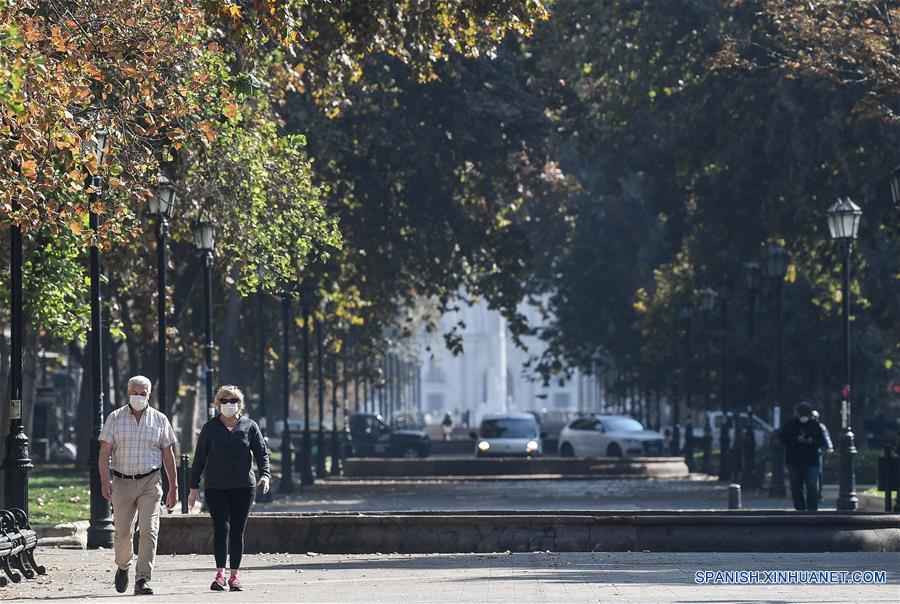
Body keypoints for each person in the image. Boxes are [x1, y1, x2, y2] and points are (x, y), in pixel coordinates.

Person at [99, 375, 178, 595]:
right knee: (123, 534)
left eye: (143, 393)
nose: (139, 397)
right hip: (122, 482)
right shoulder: (115, 418)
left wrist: (174, 486)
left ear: (149, 395)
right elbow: (104, 452)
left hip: (150, 482)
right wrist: (105, 481)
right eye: (135, 393)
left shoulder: (160, 419)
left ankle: (143, 578)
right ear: (128, 393)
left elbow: (168, 454)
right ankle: (123, 566)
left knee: (149, 530)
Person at [189, 386, 270, 592]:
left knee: (237, 532)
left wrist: (265, 476)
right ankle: (220, 574)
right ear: (218, 404)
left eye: (233, 400)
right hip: (216, 487)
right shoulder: (210, 428)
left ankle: (234, 576)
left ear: (240, 403)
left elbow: (261, 453)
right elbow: (199, 459)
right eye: (224, 400)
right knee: (221, 528)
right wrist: (193, 487)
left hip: (244, 487)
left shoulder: (249, 426)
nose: (229, 404)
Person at [780, 402, 825, 512]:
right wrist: (796, 439)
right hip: (795, 460)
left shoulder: (814, 425)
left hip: (811, 460)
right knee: (796, 488)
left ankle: (812, 510)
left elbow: (821, 441)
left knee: (812, 487)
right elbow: (783, 439)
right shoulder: (790, 424)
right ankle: (800, 509)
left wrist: (811, 441)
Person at [811, 409, 833, 503]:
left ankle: (818, 495)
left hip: (816, 453)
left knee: (818, 474)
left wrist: (829, 447)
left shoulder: (820, 427)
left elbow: (826, 437)